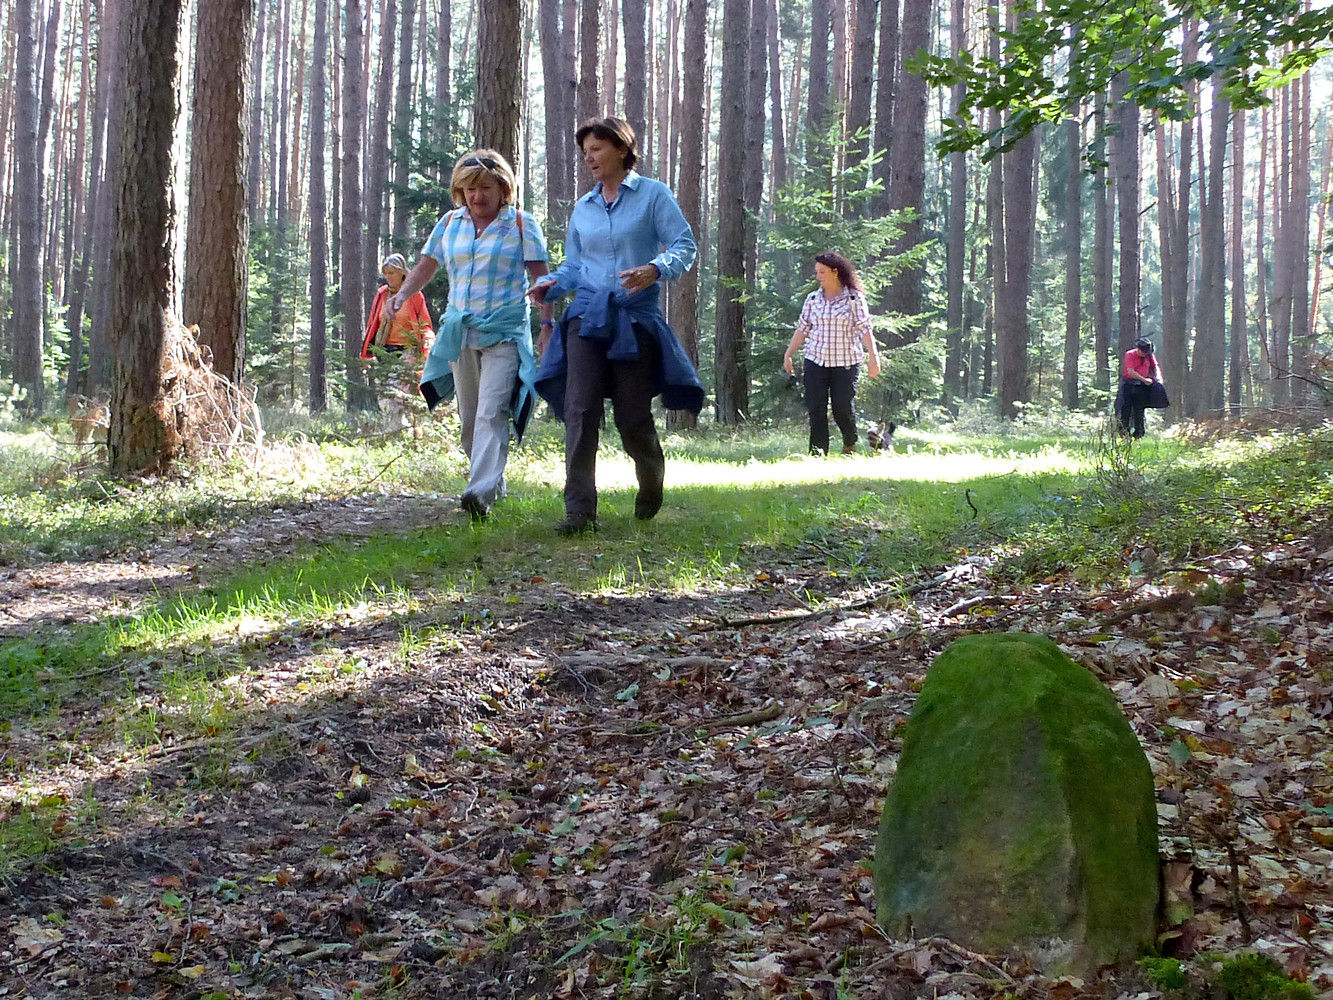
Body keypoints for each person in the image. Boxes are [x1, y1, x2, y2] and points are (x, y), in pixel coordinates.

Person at [529, 117, 703, 535]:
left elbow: (684, 245)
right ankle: (579, 512)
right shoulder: (583, 207)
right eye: (585, 150)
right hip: (586, 319)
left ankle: (651, 480)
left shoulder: (653, 195)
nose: (589, 157)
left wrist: (655, 269)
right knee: (580, 410)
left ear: (622, 150)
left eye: (597, 148)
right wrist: (549, 287)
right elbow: (574, 267)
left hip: (634, 320)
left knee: (631, 416)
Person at [383, 149, 552, 521]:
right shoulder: (449, 223)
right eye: (470, 189)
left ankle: (478, 493)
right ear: (460, 190)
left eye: (486, 188)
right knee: (471, 417)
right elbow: (427, 265)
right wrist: (401, 295)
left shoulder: (522, 225)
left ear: (503, 188)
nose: (478, 196)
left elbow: (542, 280)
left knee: (493, 411)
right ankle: (492, 483)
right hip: (461, 333)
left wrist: (547, 325)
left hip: (505, 333)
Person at [782, 252, 882, 456]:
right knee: (816, 409)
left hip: (845, 363)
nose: (819, 276)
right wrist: (789, 354)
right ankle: (817, 454)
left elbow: (864, 329)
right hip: (815, 361)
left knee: (842, 409)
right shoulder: (812, 299)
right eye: (817, 272)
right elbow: (802, 329)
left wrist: (873, 357)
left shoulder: (854, 299)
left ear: (835, 272)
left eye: (822, 272)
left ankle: (849, 445)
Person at [359, 253, 435, 429]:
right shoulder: (382, 294)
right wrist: (367, 353)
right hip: (383, 351)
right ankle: (398, 429)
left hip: (407, 351)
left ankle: (395, 431)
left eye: (392, 272)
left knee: (397, 393)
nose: (388, 277)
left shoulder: (415, 295)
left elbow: (424, 324)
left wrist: (427, 344)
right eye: (386, 273)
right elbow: (373, 323)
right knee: (384, 396)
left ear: (402, 273)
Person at [1116, 336, 1166, 438]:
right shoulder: (1130, 355)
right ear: (1138, 349)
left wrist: (1158, 378)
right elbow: (1131, 371)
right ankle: (1124, 434)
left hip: (1142, 387)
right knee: (1126, 409)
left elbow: (1155, 367)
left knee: (1139, 411)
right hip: (1129, 385)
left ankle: (1139, 434)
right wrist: (1144, 379)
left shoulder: (1149, 356)